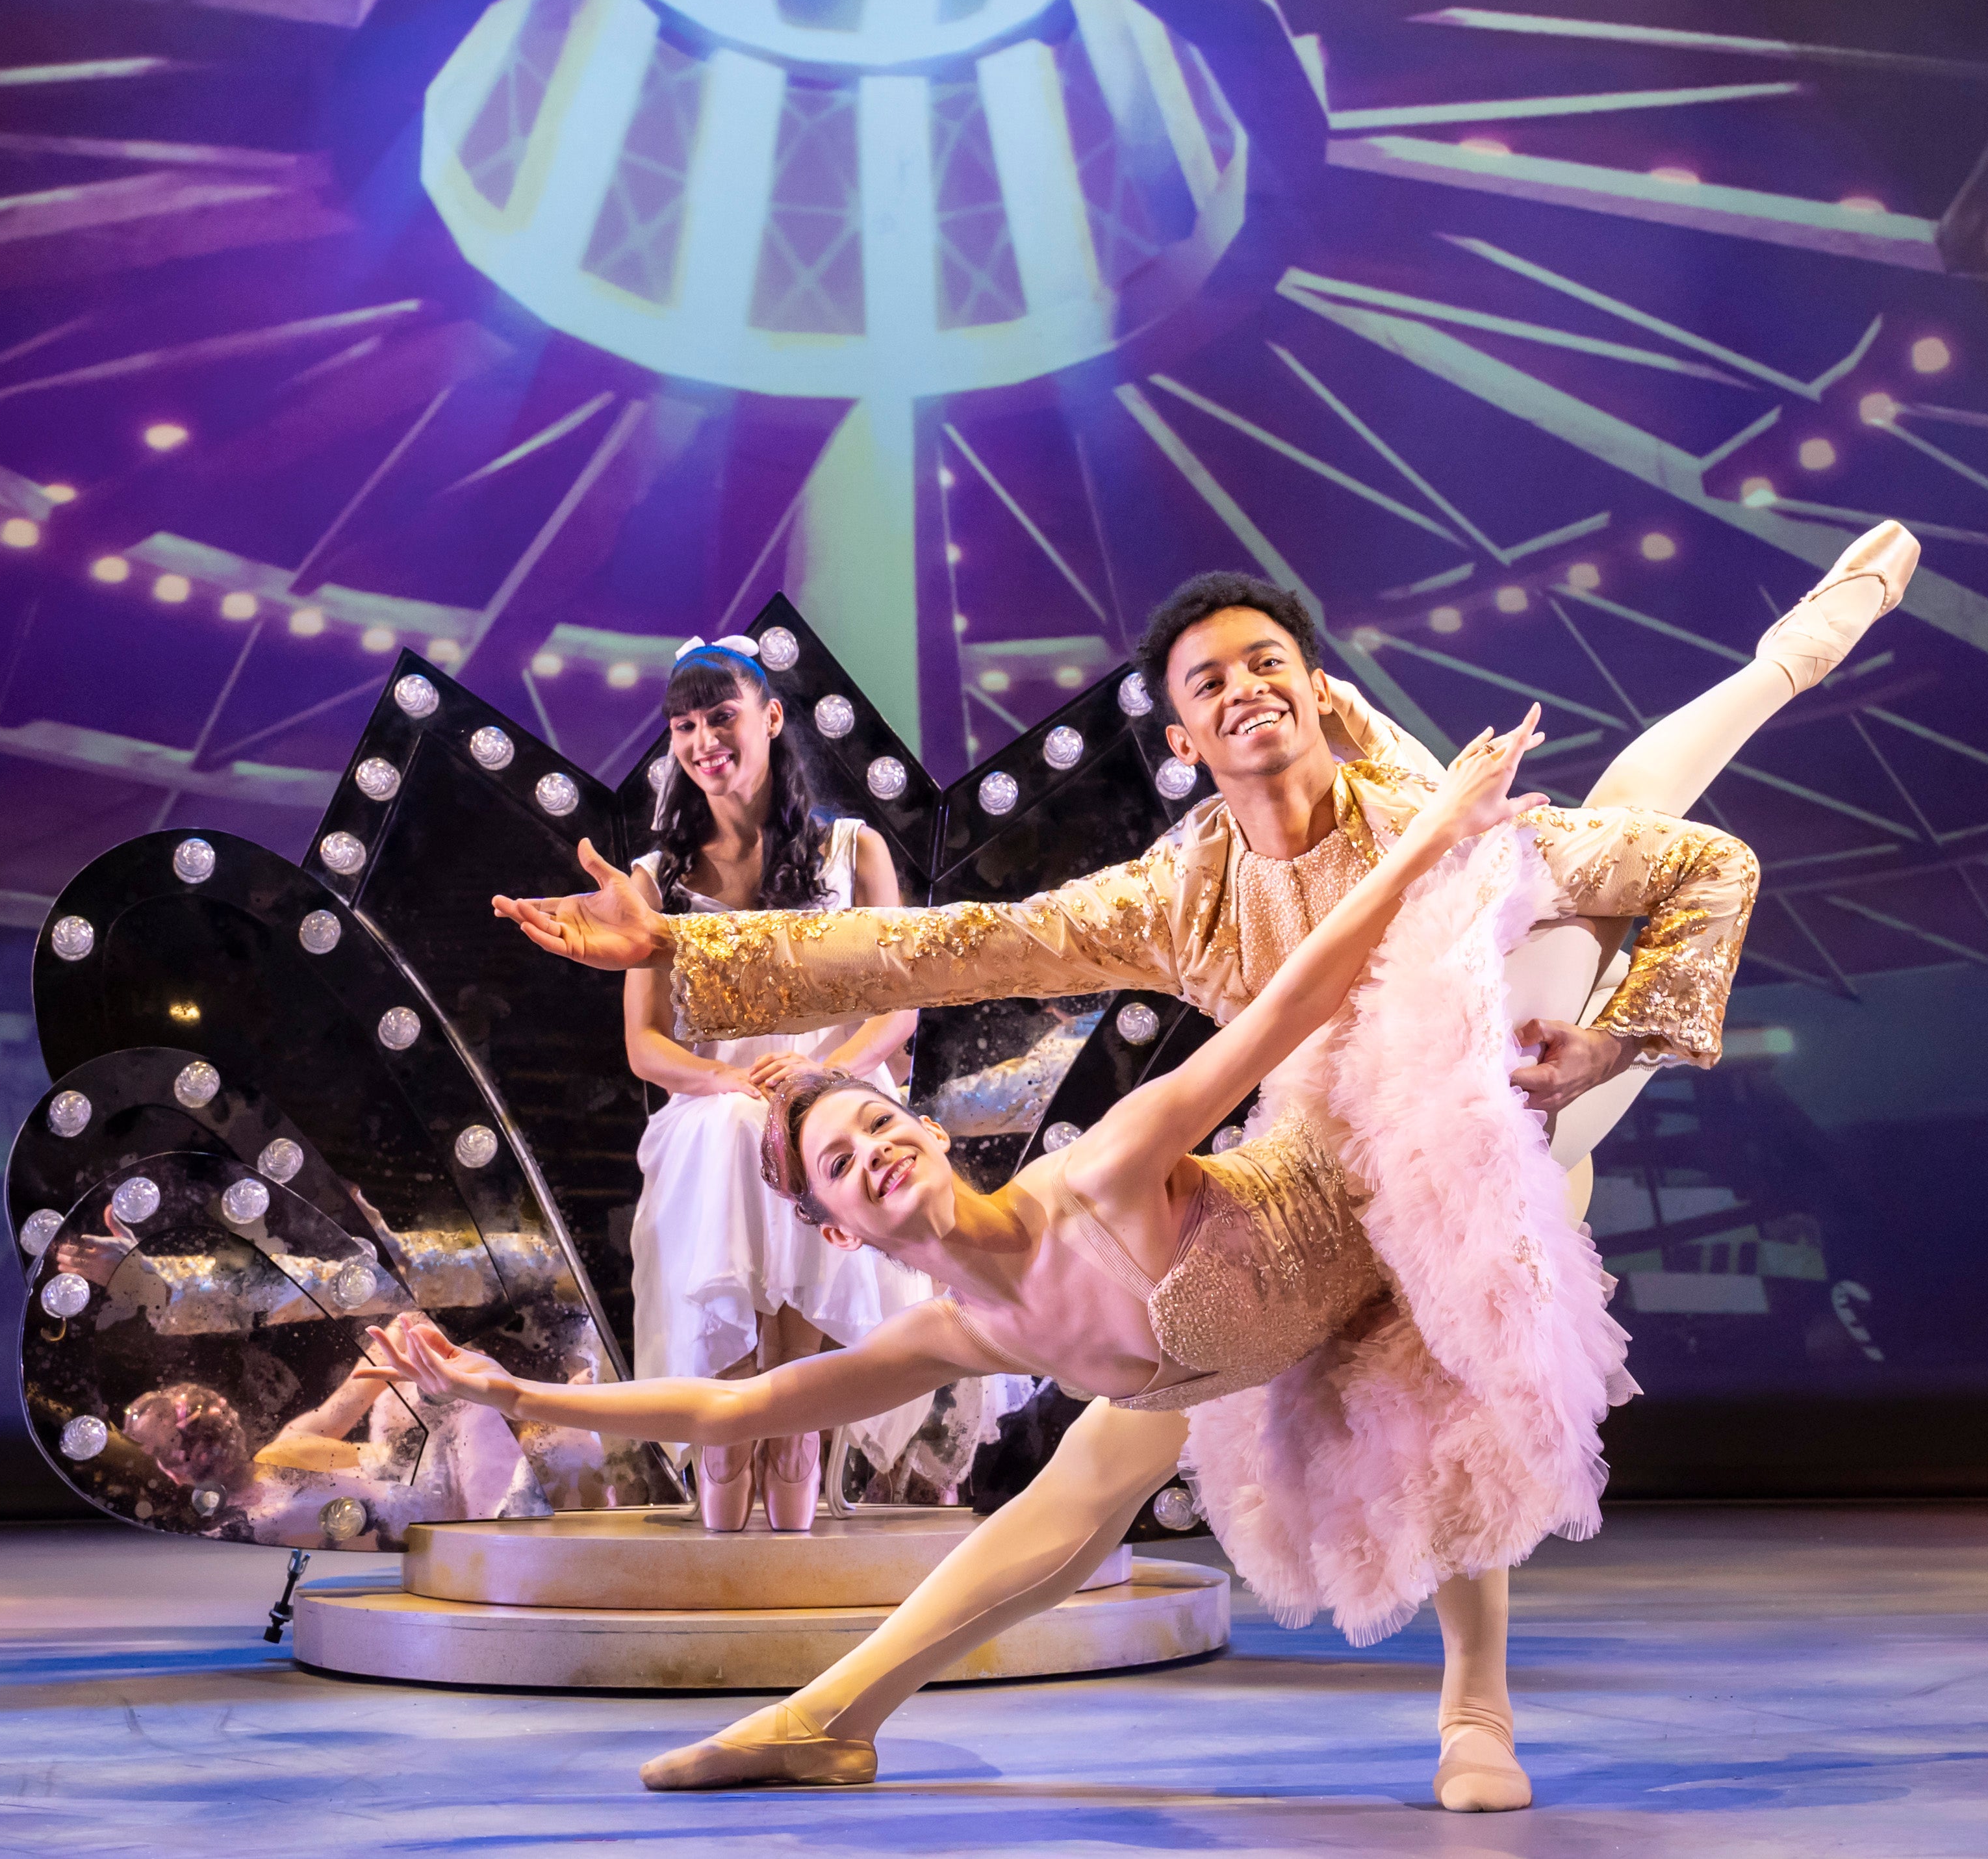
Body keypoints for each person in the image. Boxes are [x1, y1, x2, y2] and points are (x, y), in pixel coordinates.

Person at [483, 523, 1917, 1804]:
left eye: (1266, 661)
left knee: (1534, 998)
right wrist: (679, 943)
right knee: (1089, 1471)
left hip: (1491, 1067)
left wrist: (1612, 1045)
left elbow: (1694, 870)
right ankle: (831, 1709)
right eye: (1208, 680)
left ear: (1308, 684)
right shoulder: (1173, 900)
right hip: (1298, 1166)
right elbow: (944, 944)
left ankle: (1472, 1705)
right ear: (1178, 739)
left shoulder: (1420, 841)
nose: (1243, 687)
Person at [393, 705, 1592, 1804]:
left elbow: (1285, 1007)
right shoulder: (962, 1333)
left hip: (1394, 1155)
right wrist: (515, 1391)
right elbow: (734, 1404)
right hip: (1235, 1337)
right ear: (832, 1227)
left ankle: (1474, 1713)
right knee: (1066, 1506)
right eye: (840, 1168)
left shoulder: (1101, 1174)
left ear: (922, 1125)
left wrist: (1435, 829)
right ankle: (829, 1720)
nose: (874, 1154)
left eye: (877, 1123)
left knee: (1463, 1335)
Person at [620, 635, 932, 1531]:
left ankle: (792, 1435)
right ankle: (727, 1438)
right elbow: (646, 1048)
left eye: (720, 717)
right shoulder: (658, 878)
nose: (703, 740)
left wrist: (821, 1077)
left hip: (839, 1095)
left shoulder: (851, 851)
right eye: (684, 726)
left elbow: (900, 1010)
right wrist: (737, 1089)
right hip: (716, 1107)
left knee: (805, 1138)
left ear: (769, 718)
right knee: (728, 1139)